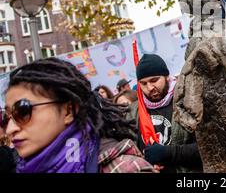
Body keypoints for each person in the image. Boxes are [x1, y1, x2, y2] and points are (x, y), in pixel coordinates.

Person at [1, 58, 156, 173]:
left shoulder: (124, 169)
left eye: (22, 111)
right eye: (6, 118)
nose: (10, 129)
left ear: (68, 110)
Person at [127, 53, 202, 172]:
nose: (150, 87)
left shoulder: (188, 101)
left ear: (166, 76)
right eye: (144, 83)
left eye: (154, 80)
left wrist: (168, 153)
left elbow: (208, 147)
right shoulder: (132, 113)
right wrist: (143, 163)